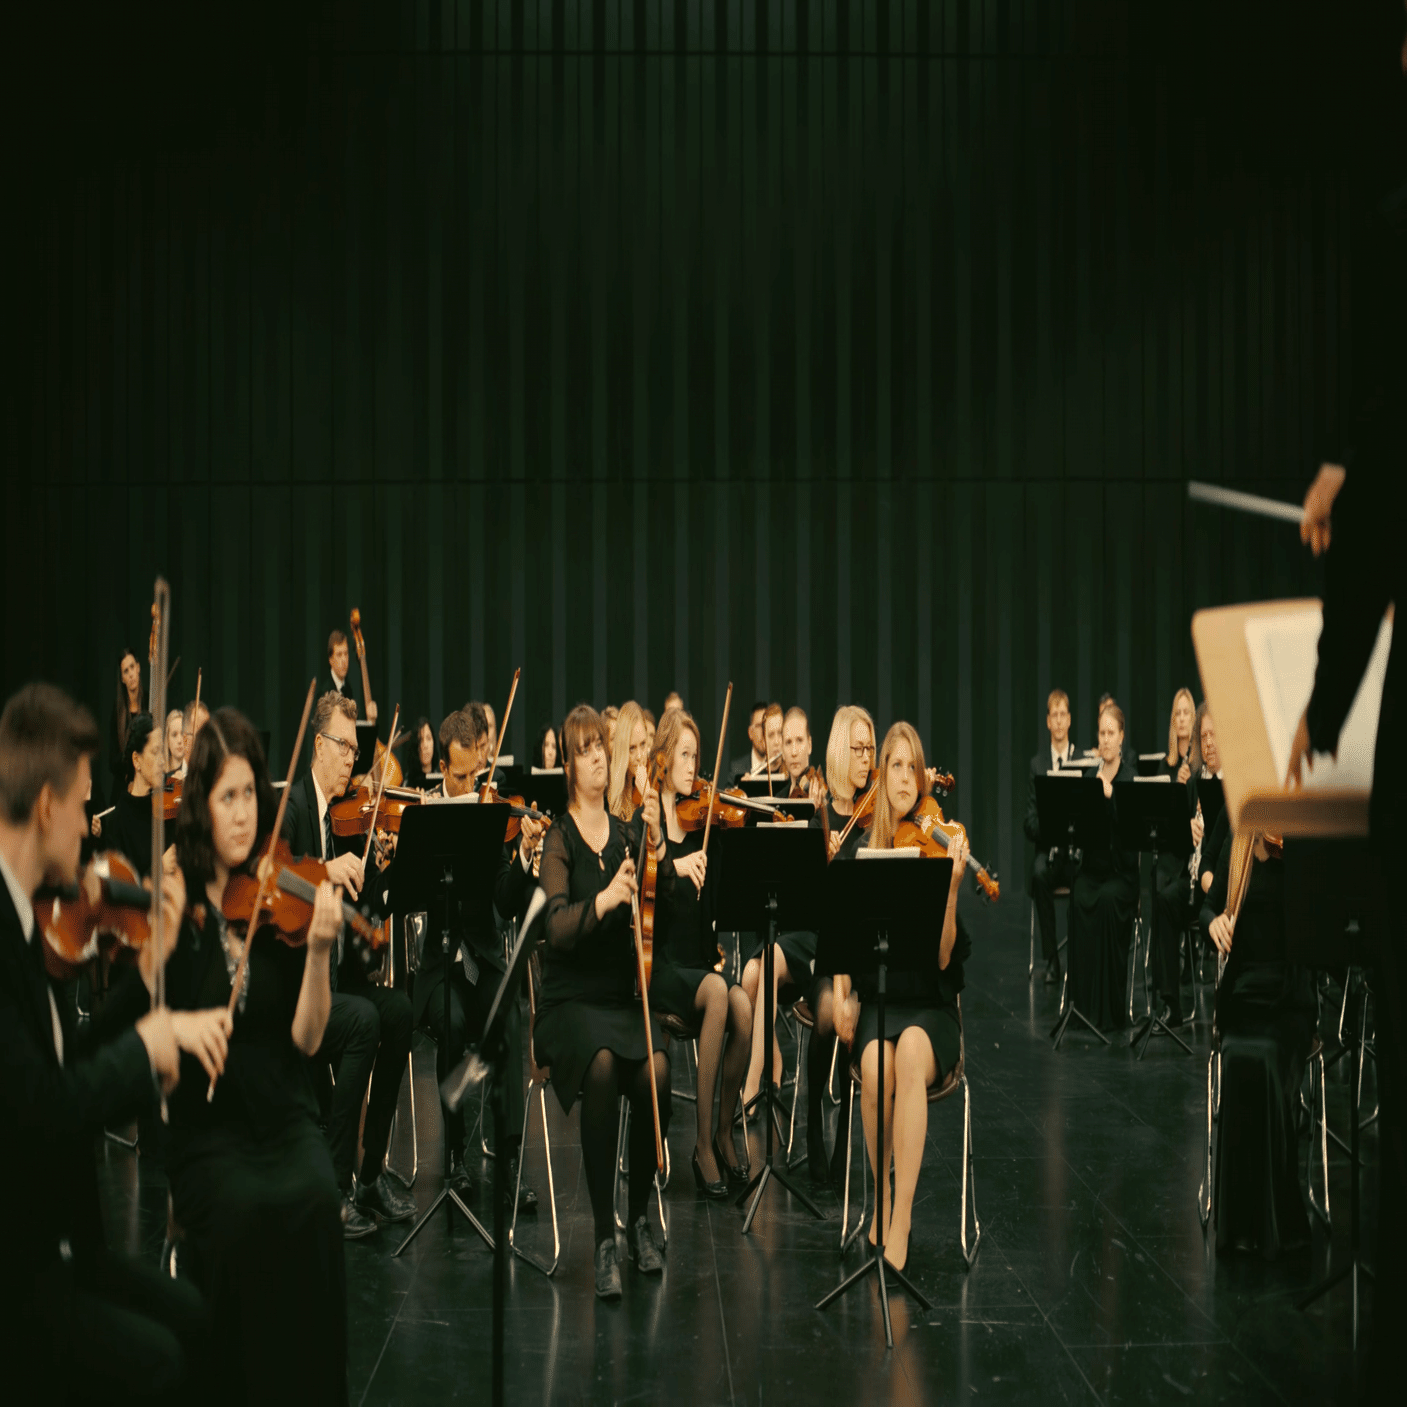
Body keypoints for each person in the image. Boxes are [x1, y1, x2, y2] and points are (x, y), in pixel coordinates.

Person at [0, 682, 209, 1403]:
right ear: (47, 805)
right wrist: (148, 1046)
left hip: (69, 1248)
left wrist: (147, 984)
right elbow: (44, 1106)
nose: (89, 829)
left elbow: (71, 1059)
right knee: (162, 1362)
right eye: (83, 803)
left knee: (196, 1318)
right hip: (25, 1274)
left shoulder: (34, 918)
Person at [166, 705, 348, 1405]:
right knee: (241, 1213)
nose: (244, 813)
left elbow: (307, 1039)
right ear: (201, 806)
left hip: (284, 1111)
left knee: (317, 1197)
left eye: (250, 793)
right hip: (212, 1126)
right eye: (227, 797)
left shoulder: (278, 894)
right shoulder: (178, 902)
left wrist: (321, 952)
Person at [536, 704, 671, 1300]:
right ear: (569, 766)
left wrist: (655, 837)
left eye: (600, 747)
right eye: (584, 750)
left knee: (657, 1070)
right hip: (568, 1002)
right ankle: (602, 1238)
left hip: (618, 997)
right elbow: (555, 928)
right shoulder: (558, 838)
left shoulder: (626, 835)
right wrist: (605, 901)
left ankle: (637, 1219)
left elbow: (658, 899)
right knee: (602, 1065)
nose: (596, 757)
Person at [832, 721, 971, 1272]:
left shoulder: (938, 848)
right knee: (873, 1064)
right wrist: (843, 993)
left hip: (931, 1008)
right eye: (896, 765)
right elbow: (843, 939)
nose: (906, 776)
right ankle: (882, 1194)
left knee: (910, 1050)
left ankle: (902, 1218)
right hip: (881, 1001)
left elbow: (943, 959)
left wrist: (952, 889)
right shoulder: (863, 850)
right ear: (882, 777)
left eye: (914, 767)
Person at [281, 692, 416, 1238]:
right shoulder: (293, 807)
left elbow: (362, 905)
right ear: (318, 745)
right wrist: (324, 870)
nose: (352, 760)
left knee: (399, 1011)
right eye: (345, 747)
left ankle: (370, 1175)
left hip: (339, 977)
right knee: (362, 1021)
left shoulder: (339, 817)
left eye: (356, 750)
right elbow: (278, 878)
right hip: (299, 990)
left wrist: (380, 869)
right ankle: (334, 1189)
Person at [413, 708, 541, 1209]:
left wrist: (523, 856)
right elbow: (415, 896)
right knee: (450, 1020)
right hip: (442, 966)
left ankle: (509, 1160)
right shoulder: (425, 816)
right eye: (461, 777)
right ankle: (454, 1156)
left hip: (483, 959)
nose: (471, 786)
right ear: (443, 769)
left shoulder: (492, 815)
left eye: (476, 775)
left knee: (507, 1017)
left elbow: (505, 904)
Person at [646, 708, 753, 1195]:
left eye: (697, 756)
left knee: (743, 1005)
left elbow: (718, 899)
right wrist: (671, 860)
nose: (693, 767)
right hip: (663, 966)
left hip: (698, 960)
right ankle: (702, 1145)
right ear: (664, 759)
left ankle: (725, 1130)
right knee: (716, 990)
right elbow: (651, 894)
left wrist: (731, 832)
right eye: (685, 755)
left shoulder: (703, 819)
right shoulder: (649, 822)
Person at [1206, 831, 1315, 1259]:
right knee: (1236, 1055)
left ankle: (1276, 1221)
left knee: (1269, 1057)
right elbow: (1206, 906)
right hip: (1244, 992)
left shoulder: (1303, 844)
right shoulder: (1240, 842)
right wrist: (1214, 921)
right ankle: (1239, 1227)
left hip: (1290, 996)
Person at [801, 704, 875, 1184]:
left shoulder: (876, 820)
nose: (867, 758)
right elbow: (809, 907)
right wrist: (820, 867)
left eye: (871, 749)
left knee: (855, 1017)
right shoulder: (821, 819)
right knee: (829, 1014)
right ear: (839, 752)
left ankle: (847, 1127)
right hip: (827, 956)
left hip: (864, 959)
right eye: (859, 749)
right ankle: (813, 1121)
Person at [1066, 703, 1139, 1031]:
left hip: (1121, 874)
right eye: (1102, 733)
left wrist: (1113, 799)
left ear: (1122, 736)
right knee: (1078, 897)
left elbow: (1132, 835)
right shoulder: (1089, 777)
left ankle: (1108, 1013)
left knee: (1108, 902)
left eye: (1112, 733)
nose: (1106, 739)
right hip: (1093, 870)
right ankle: (1081, 1009)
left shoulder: (1129, 777)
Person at [1149, 688, 1198, 1026]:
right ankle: (1164, 989)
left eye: (1186, 713)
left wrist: (1187, 786)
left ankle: (1170, 990)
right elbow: (1161, 823)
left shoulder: (1200, 766)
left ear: (1194, 719)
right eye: (1176, 713)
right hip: (1169, 856)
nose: (1181, 719)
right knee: (1159, 881)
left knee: (1166, 894)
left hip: (1190, 862)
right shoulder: (1164, 767)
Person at [1025, 689, 1080, 986]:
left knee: (1086, 878)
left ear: (1069, 720)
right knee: (1038, 876)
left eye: (1063, 715)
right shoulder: (1037, 764)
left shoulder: (1082, 759)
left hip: (1076, 854)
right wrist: (1052, 829)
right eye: (1053, 715)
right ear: (1048, 722)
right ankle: (1052, 961)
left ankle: (1080, 959)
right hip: (1050, 852)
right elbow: (1030, 821)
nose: (1058, 721)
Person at [105, 711, 164, 881]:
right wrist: (157, 867)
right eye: (155, 752)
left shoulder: (166, 809)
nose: (162, 761)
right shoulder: (116, 823)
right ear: (136, 760)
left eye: (163, 751)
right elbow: (122, 887)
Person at [109, 646, 145, 794]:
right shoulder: (118, 712)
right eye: (126, 671)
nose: (131, 674)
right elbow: (112, 761)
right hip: (124, 787)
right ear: (122, 679)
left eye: (132, 667)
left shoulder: (150, 702)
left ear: (138, 668)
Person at [607, 700, 649, 823]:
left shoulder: (656, 780)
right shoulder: (608, 788)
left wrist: (647, 793)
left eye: (643, 744)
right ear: (622, 749)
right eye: (632, 748)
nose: (640, 756)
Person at [328, 628, 377, 724]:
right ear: (331, 660)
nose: (344, 660)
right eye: (339, 655)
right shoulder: (324, 693)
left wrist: (371, 721)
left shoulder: (348, 689)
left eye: (346, 654)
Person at [743, 703, 785, 785]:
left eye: (780, 733)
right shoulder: (757, 778)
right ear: (764, 740)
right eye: (771, 735)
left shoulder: (793, 773)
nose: (776, 742)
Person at [729, 700, 769, 783]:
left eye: (767, 725)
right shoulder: (737, 770)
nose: (764, 731)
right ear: (750, 733)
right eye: (760, 726)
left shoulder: (781, 768)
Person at [781, 706, 814, 796]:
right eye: (788, 742)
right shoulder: (779, 798)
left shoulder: (823, 795)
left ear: (809, 745)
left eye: (799, 740)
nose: (794, 752)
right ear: (782, 751)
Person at [404, 715, 436, 791]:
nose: (425, 745)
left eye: (428, 738)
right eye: (420, 740)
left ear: (433, 742)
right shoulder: (408, 783)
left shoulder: (442, 781)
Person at [166, 708, 188, 780]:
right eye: (174, 735)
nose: (179, 741)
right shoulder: (159, 776)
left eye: (182, 734)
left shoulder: (193, 775)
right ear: (167, 740)